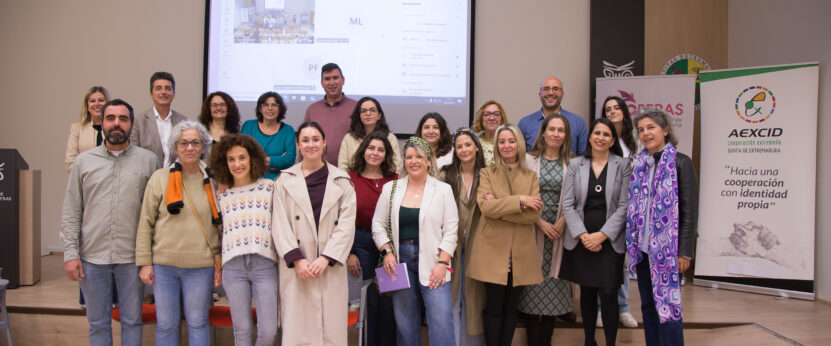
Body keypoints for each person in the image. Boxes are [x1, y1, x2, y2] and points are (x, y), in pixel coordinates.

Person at [61, 99, 160, 346]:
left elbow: (157, 215)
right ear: (102, 123)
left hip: (132, 258)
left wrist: (151, 257)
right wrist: (70, 253)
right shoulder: (84, 162)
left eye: (123, 119)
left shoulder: (149, 161)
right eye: (111, 118)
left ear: (131, 124)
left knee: (132, 321)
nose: (117, 123)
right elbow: (72, 210)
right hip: (92, 258)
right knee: (97, 323)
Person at [136, 120, 222, 346]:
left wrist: (218, 261)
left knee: (198, 323)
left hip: (201, 266)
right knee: (165, 325)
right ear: (175, 147)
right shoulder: (160, 178)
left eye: (195, 142)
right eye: (183, 143)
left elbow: (220, 226)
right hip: (164, 265)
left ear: (204, 146)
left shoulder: (213, 180)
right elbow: (145, 222)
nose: (190, 148)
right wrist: (145, 262)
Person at [271, 122, 356, 345]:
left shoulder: (342, 181)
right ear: (298, 145)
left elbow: (346, 226)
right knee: (298, 330)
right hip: (298, 268)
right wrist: (297, 260)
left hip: (329, 267)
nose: (311, 144)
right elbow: (279, 224)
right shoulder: (283, 181)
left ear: (325, 142)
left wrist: (326, 257)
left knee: (330, 332)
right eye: (305, 140)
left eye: (316, 139)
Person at [372, 136, 458, 346]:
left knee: (441, 320)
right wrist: (387, 252)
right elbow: (377, 224)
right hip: (399, 262)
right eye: (409, 157)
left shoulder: (443, 189)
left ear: (429, 161)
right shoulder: (391, 189)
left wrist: (443, 263)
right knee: (405, 324)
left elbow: (451, 229)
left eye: (419, 156)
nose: (414, 161)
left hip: (434, 261)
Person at [626, 109, 698, 346]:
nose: (645, 133)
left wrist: (685, 252)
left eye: (651, 128)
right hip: (643, 250)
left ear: (665, 130)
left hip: (669, 252)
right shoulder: (640, 164)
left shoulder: (680, 162)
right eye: (641, 130)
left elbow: (689, 211)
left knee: (668, 307)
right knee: (648, 305)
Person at [466, 124, 543, 346]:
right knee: (494, 306)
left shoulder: (530, 177)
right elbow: (486, 209)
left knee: (512, 308)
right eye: (502, 141)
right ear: (496, 146)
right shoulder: (486, 173)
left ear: (519, 144)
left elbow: (533, 216)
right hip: (492, 251)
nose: (506, 145)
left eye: (511, 141)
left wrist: (500, 207)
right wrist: (520, 201)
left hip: (520, 252)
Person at [559, 118, 632, 346]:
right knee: (587, 293)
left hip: (610, 240)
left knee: (609, 292)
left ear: (612, 140)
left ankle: (610, 342)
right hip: (581, 240)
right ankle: (589, 340)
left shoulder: (623, 165)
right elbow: (568, 204)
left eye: (606, 134)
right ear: (590, 137)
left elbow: (624, 205)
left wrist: (602, 235)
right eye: (597, 133)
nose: (601, 138)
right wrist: (583, 236)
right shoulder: (575, 164)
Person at [209, 134, 279, 346]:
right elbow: (218, 232)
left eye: (242, 157)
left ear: (252, 159)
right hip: (233, 267)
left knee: (268, 332)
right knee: (242, 332)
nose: (237, 164)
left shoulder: (269, 187)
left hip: (264, 264)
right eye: (231, 159)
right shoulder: (221, 194)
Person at [519, 114, 575, 346]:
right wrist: (539, 222)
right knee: (532, 285)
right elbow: (519, 195)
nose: (555, 134)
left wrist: (562, 221)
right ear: (542, 132)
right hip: (533, 230)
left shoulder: (574, 163)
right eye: (551, 129)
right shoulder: (528, 160)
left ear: (566, 135)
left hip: (561, 233)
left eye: (560, 130)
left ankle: (546, 340)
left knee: (555, 283)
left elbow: (579, 198)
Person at [346, 131, 399, 346]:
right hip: (361, 242)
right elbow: (342, 218)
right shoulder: (350, 179)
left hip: (388, 245)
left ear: (386, 154)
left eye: (380, 149)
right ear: (363, 150)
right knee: (370, 301)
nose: (375, 153)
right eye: (371, 148)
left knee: (388, 300)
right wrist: (349, 252)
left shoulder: (395, 180)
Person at [440, 127, 487, 346]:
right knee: (450, 298)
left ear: (477, 147)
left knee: (474, 300)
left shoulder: (487, 175)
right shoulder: (445, 174)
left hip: (479, 244)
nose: (464, 149)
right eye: (459, 146)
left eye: (468, 144)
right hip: (451, 245)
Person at [598, 95, 639, 328]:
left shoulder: (634, 141)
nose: (612, 112)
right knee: (600, 261)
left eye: (616, 108)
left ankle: (623, 308)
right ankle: (600, 309)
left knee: (622, 261)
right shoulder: (601, 139)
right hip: (604, 208)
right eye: (608, 109)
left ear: (624, 111)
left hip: (630, 208)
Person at [518, 76, 589, 155]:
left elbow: (584, 158)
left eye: (555, 89)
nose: (550, 93)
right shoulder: (525, 123)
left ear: (562, 94)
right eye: (546, 89)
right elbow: (519, 158)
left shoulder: (578, 123)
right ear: (539, 94)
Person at [304, 63, 358, 164]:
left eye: (335, 78)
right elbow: (305, 142)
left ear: (343, 80)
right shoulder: (312, 109)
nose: (332, 82)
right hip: (317, 170)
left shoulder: (357, 107)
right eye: (327, 79)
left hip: (350, 170)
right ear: (322, 83)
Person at [130, 71, 188, 166]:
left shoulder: (184, 122)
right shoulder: (138, 121)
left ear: (173, 94)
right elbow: (133, 154)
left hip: (176, 176)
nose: (163, 92)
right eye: (158, 88)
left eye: (168, 88)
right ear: (151, 93)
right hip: (148, 177)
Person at [241, 91, 296, 180]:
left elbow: (289, 160)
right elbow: (242, 154)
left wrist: (258, 161)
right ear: (260, 108)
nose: (270, 108)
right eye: (265, 105)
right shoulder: (248, 126)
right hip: (249, 179)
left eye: (274, 105)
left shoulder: (288, 130)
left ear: (280, 108)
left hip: (278, 181)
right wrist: (275, 162)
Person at [338, 96, 401, 172]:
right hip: (352, 182)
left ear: (379, 115)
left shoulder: (390, 138)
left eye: (372, 110)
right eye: (363, 111)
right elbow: (342, 167)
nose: (368, 114)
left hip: (385, 182)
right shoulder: (349, 138)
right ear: (359, 115)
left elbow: (396, 167)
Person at [65, 86, 110, 172]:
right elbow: (70, 163)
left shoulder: (115, 128)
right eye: (92, 101)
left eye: (101, 100)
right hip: (84, 181)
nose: (97, 104)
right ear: (87, 105)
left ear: (108, 104)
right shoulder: (77, 129)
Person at [471, 100, 508, 166]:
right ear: (481, 118)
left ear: (501, 118)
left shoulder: (508, 142)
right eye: (487, 114)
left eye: (496, 114)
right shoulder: (473, 142)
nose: (491, 118)